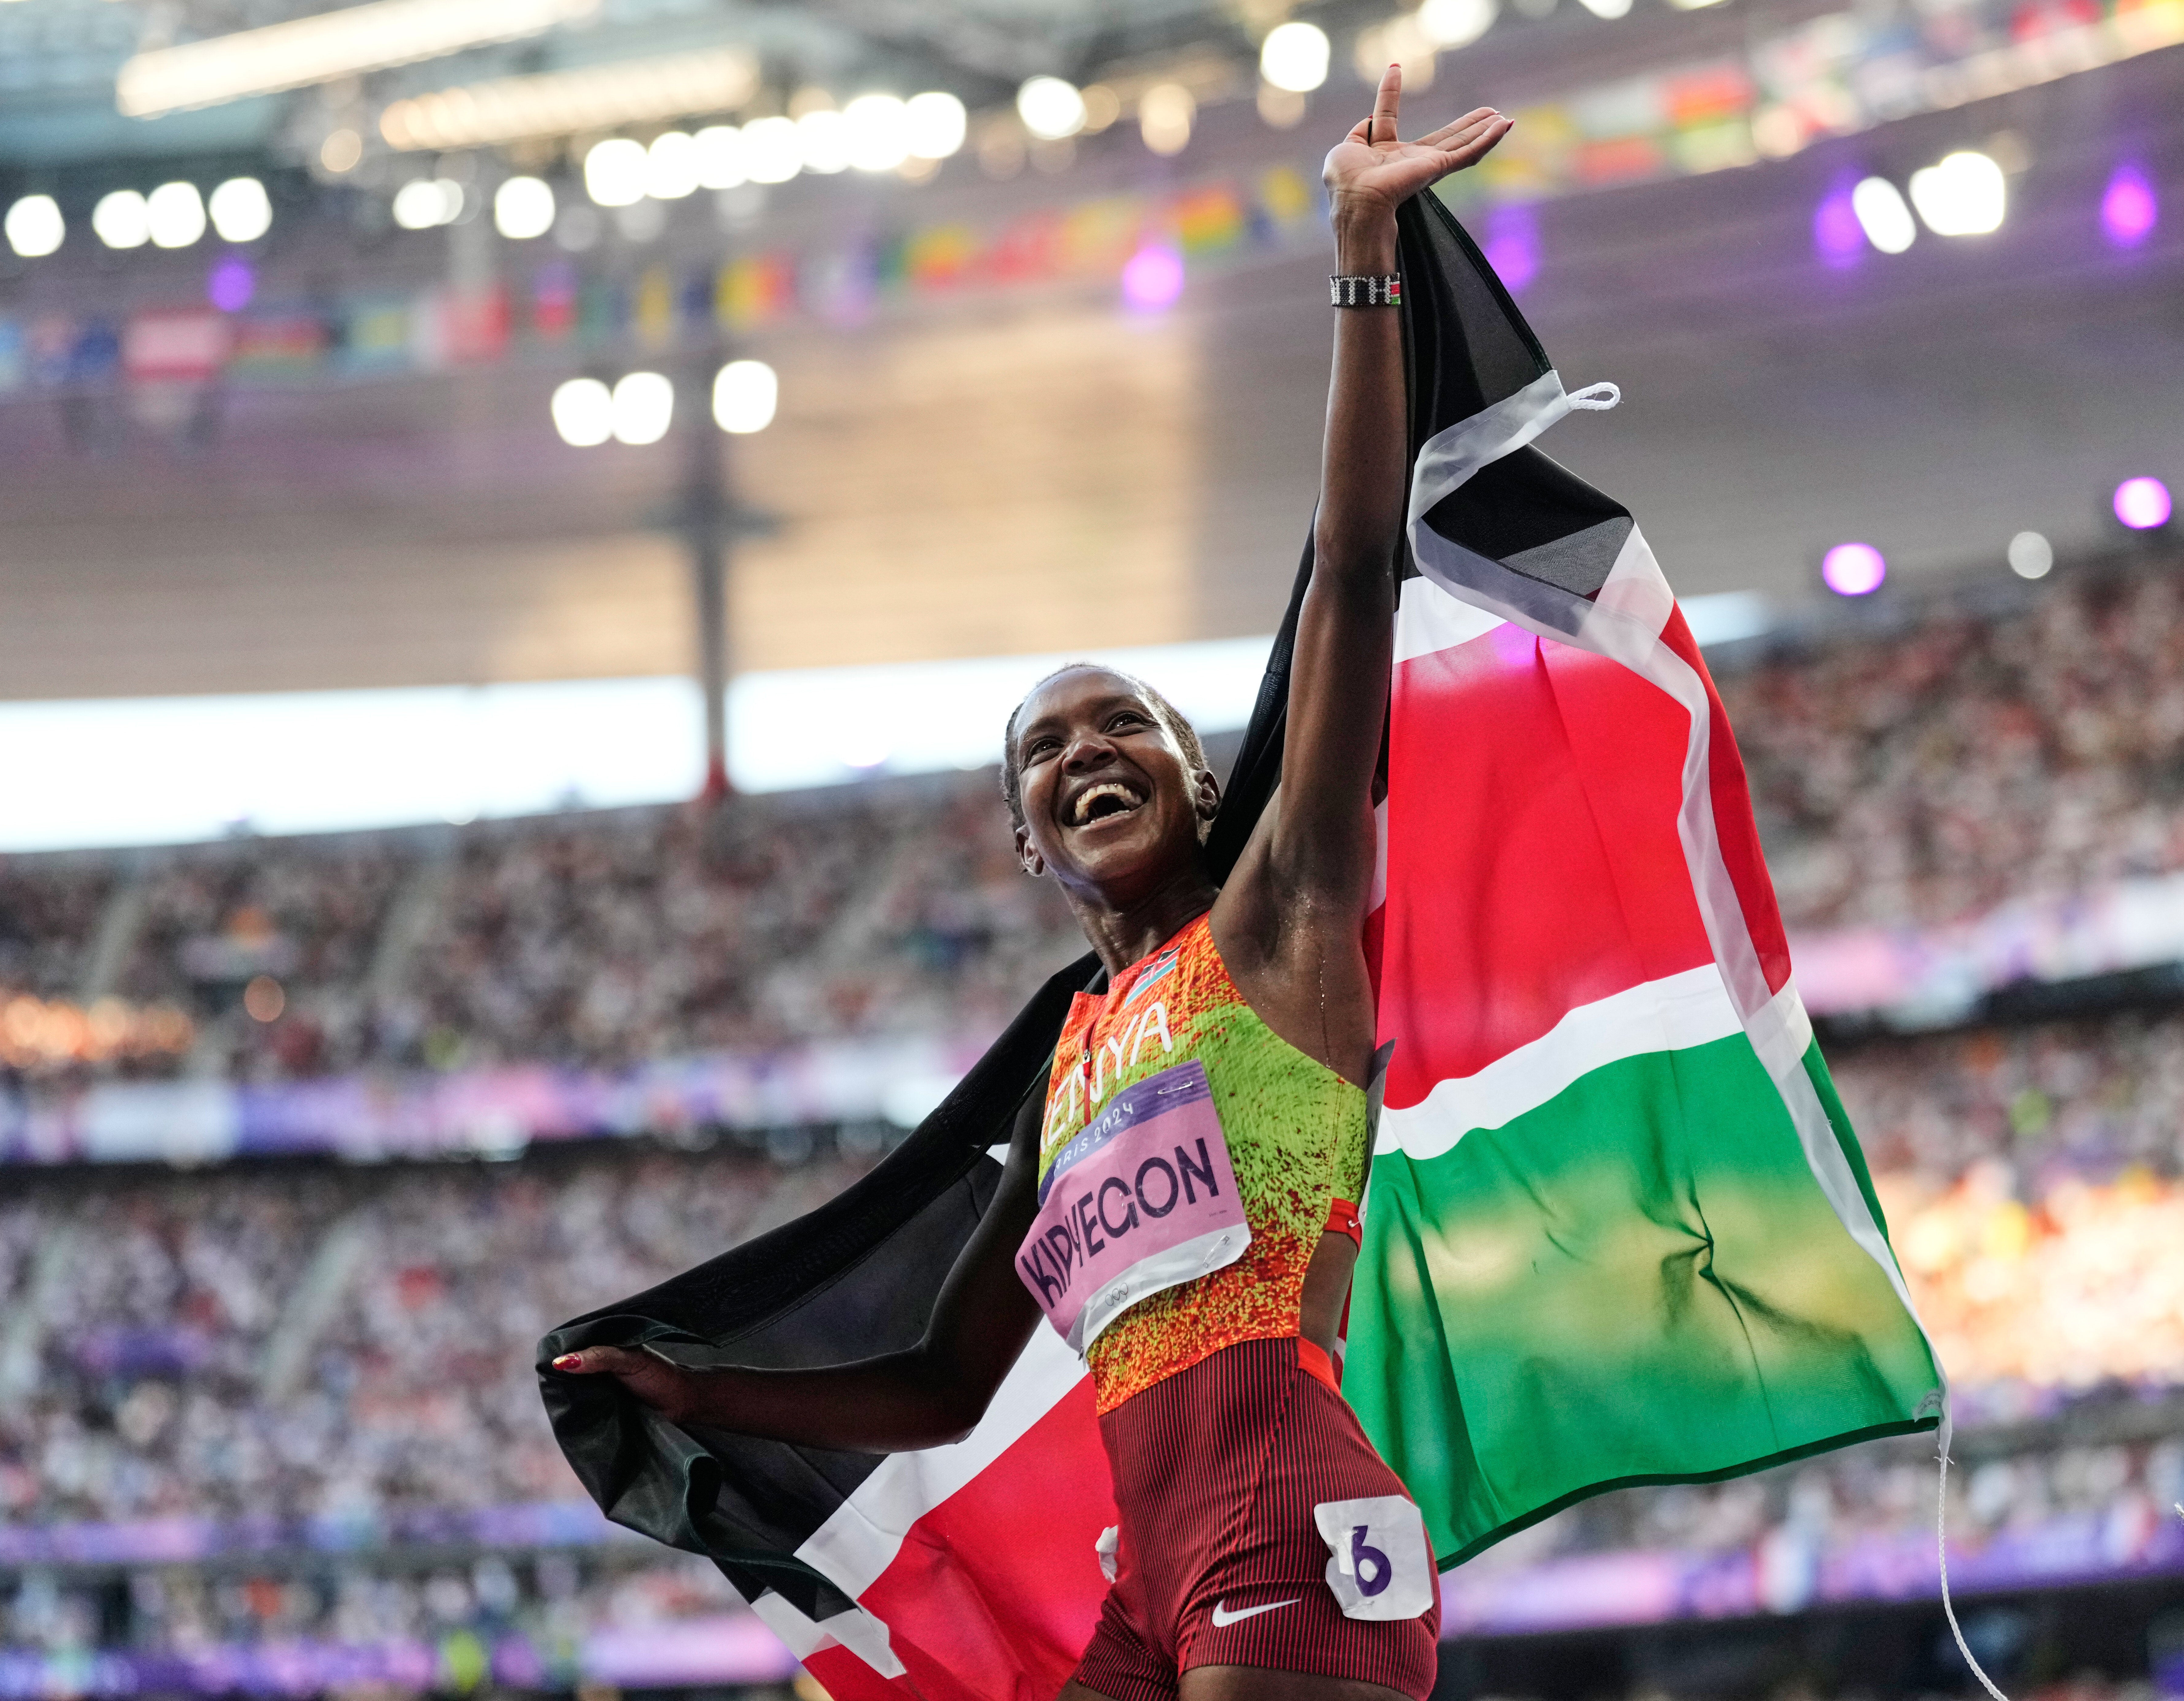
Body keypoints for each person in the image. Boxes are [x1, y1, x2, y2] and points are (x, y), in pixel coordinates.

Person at [554, 68, 1513, 1701]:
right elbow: (946, 1381)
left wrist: (1363, 254)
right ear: (1026, 838)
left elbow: (1353, 578)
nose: (1088, 750)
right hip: (1151, 1567)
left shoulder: (1278, 921)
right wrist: (705, 1398)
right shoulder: (1067, 1066)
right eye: (1046, 748)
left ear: (1202, 780)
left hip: (1287, 1520)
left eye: (1125, 722)